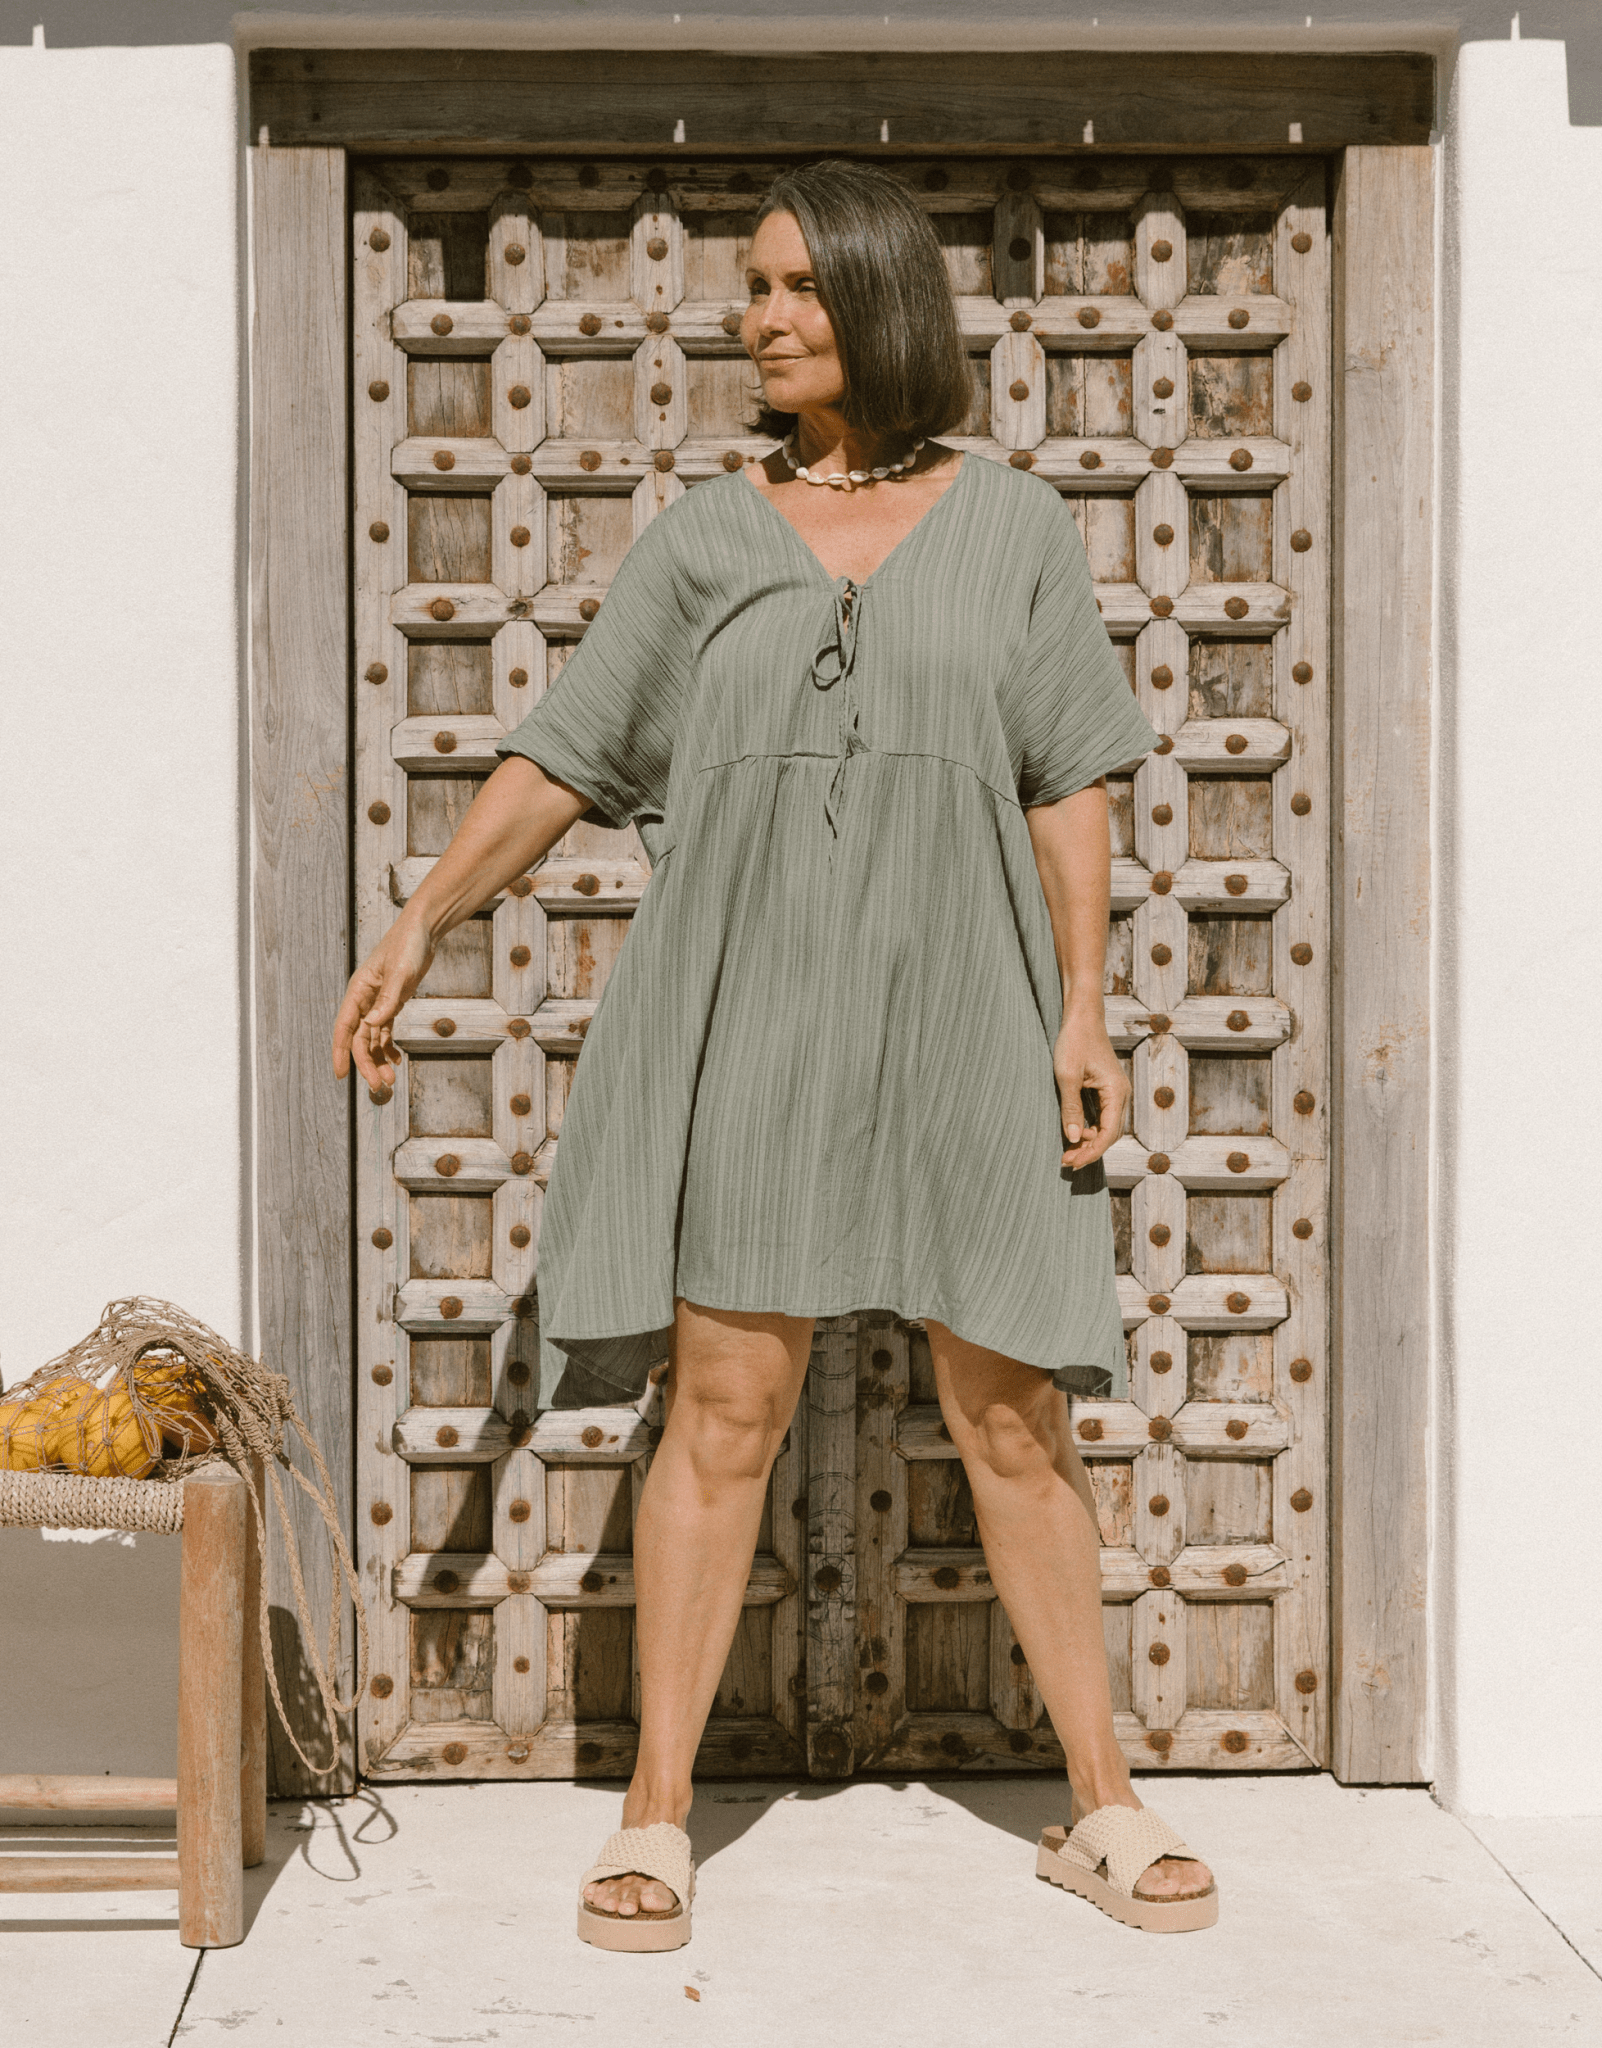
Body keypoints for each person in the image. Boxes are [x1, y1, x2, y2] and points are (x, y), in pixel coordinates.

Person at [332, 158, 1217, 1944]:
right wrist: (425, 919)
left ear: (882, 298)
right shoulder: (704, 537)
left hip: (964, 1010)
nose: (760, 317)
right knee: (724, 1408)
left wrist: (1080, 1004)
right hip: (750, 1013)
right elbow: (564, 753)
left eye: (798, 285)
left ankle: (1103, 1805)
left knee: (1013, 1416)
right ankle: (654, 1814)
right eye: (754, 285)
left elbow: (1068, 779)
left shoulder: (1012, 524)